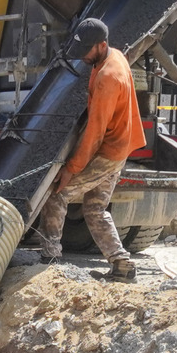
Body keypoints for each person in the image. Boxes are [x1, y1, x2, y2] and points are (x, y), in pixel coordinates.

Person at [36, 17, 145, 282]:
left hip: (108, 151)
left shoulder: (108, 77)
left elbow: (94, 134)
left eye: (86, 50)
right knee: (95, 209)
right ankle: (122, 264)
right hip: (119, 146)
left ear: (102, 44)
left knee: (58, 194)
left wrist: (70, 170)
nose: (82, 56)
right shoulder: (113, 57)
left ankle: (50, 258)